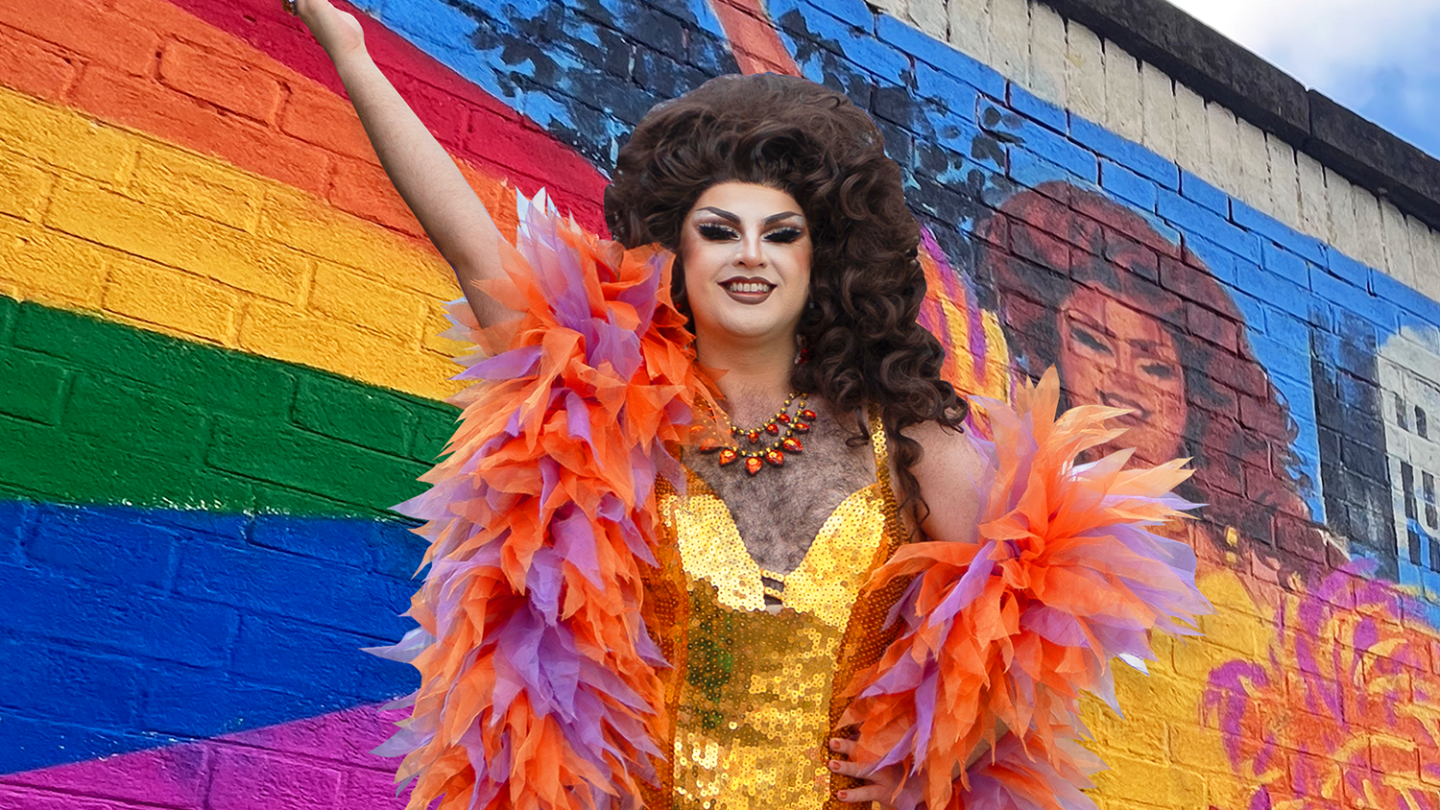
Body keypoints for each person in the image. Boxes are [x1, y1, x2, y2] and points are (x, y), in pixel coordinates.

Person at [288, 3, 1209, 809]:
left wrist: (939, 750)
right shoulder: (603, 405)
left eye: (783, 234)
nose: (750, 256)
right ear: (678, 255)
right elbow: (474, 248)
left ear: (823, 261)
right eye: (719, 231)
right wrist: (352, 52)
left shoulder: (906, 441)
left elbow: (1025, 629)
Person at [977, 182, 1334, 591]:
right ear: (1049, 359)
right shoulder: (1002, 516)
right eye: (1093, 343)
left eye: (1156, 368)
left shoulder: (1270, 575)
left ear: (1196, 406)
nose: (1124, 392)